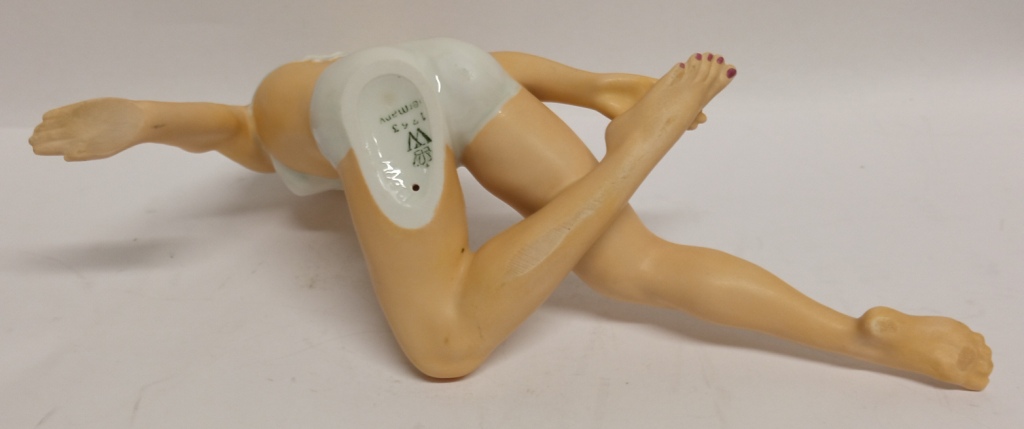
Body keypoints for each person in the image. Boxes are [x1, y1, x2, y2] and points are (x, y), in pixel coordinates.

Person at [28, 38, 992, 390]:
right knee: (634, 264)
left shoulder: (289, 122)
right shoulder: (307, 84)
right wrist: (590, 83)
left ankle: (640, 151)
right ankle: (860, 334)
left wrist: (147, 119)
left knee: (446, 341)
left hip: (388, 108)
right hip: (458, 67)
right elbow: (478, 64)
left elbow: (234, 133)